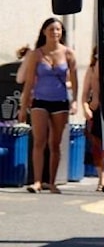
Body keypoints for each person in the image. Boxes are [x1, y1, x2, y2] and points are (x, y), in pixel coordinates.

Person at [17, 18, 79, 194]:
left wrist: (74, 101)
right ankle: (37, 181)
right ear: (44, 32)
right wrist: (23, 107)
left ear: (62, 33)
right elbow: (29, 82)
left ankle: (51, 182)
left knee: (55, 143)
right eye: (51, 29)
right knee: (39, 141)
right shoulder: (37, 54)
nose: (55, 32)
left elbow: (74, 80)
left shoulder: (68, 54)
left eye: (58, 29)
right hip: (40, 100)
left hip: (60, 101)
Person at [81, 45, 104, 193]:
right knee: (98, 146)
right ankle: (101, 178)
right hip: (95, 110)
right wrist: (85, 108)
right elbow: (84, 94)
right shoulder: (91, 70)